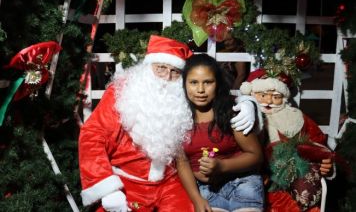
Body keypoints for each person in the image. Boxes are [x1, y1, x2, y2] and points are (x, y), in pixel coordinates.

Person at [78, 35, 257, 212]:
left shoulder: (181, 93)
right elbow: (92, 136)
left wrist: (248, 103)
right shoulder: (123, 92)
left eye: (175, 72)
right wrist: (108, 190)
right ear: (148, 67)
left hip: (171, 182)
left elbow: (214, 97)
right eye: (161, 68)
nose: (167, 77)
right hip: (129, 181)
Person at [176, 54, 264, 212]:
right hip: (207, 190)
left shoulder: (231, 112)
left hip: (242, 182)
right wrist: (197, 199)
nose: (201, 90)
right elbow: (182, 163)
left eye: (208, 82)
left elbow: (256, 156)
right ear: (184, 84)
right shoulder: (179, 117)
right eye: (193, 82)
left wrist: (222, 165)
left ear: (217, 84)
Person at [240, 68, 335, 212]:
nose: (269, 101)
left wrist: (327, 165)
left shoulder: (297, 118)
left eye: (276, 96)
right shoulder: (241, 118)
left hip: (293, 186)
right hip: (252, 186)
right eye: (263, 95)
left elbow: (319, 145)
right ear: (251, 94)